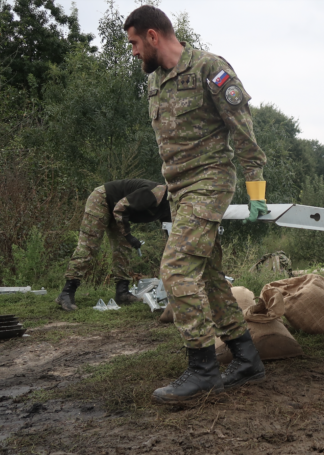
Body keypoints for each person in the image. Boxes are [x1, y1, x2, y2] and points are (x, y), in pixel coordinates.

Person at [125, 6, 267, 404]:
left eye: (135, 43)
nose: (133, 52)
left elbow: (244, 133)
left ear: (154, 36)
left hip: (210, 183)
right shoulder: (156, 82)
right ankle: (246, 358)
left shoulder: (210, 69)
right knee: (206, 274)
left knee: (174, 270)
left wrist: (255, 190)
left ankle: (203, 369)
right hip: (180, 190)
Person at [56, 179, 171, 311]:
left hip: (119, 211)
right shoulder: (154, 194)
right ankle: (66, 292)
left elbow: (170, 231)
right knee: (89, 245)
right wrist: (128, 236)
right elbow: (120, 208)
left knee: (123, 248)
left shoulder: (170, 205)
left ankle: (122, 292)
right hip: (102, 199)